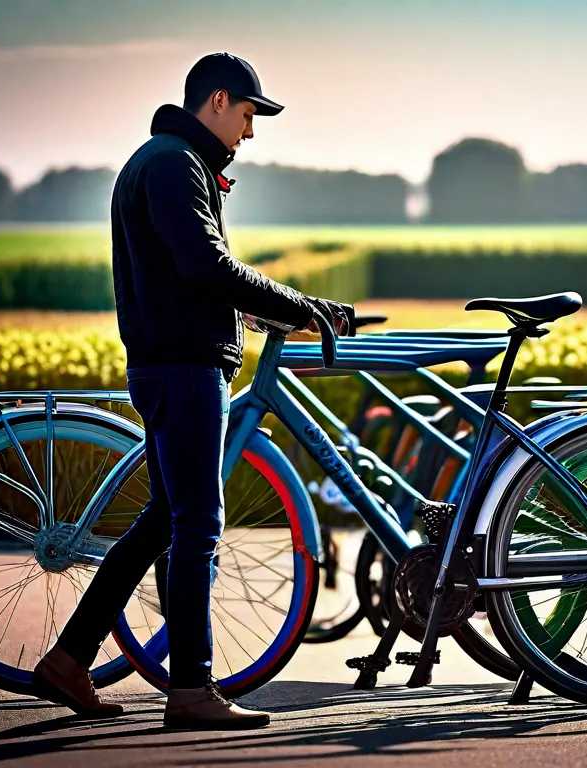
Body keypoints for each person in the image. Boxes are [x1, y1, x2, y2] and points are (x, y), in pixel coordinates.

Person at [32, 52, 354, 730]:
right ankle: (192, 691)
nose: (251, 130)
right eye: (247, 113)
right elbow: (205, 264)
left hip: (169, 364)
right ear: (216, 100)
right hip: (184, 369)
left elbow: (193, 275)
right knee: (200, 525)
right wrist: (298, 304)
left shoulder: (168, 161)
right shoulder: (175, 164)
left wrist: (275, 308)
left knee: (163, 522)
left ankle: (69, 659)